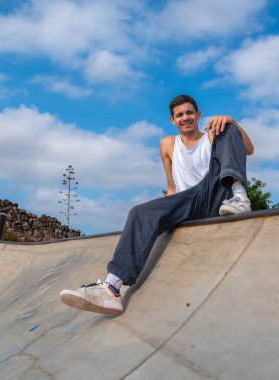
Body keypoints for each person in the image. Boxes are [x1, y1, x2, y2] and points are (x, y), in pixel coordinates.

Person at [60, 94, 254, 315]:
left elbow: (248, 150)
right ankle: (112, 289)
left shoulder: (211, 137)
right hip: (185, 203)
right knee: (139, 212)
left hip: (214, 195)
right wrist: (158, 217)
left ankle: (240, 196)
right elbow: (171, 187)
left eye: (190, 113)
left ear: (198, 115)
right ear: (172, 120)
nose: (185, 118)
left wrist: (233, 122)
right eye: (179, 115)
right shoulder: (167, 144)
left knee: (226, 127)